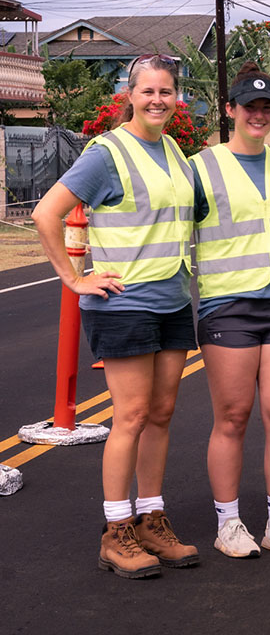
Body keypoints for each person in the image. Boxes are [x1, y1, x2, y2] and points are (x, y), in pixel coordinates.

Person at [32, 54, 198, 579]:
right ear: (130, 95)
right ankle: (117, 530)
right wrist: (74, 278)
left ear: (177, 98)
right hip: (123, 304)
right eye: (147, 91)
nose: (157, 100)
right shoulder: (107, 153)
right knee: (129, 417)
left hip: (172, 299)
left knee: (162, 413)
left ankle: (151, 518)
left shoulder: (173, 149)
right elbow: (46, 213)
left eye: (165, 92)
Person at [190, 62, 270, 560]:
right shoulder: (201, 166)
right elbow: (165, 224)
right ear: (230, 109)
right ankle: (229, 522)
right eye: (249, 106)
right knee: (233, 417)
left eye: (266, 107)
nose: (258, 114)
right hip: (227, 304)